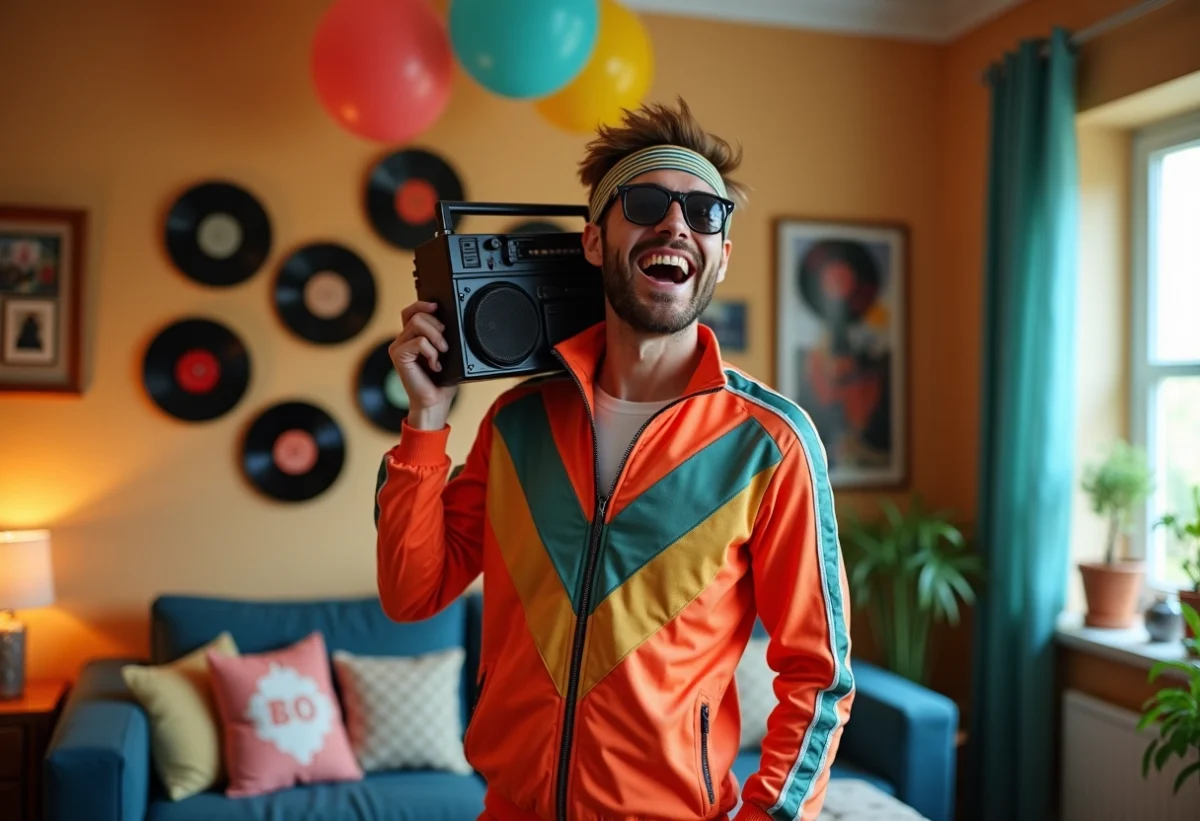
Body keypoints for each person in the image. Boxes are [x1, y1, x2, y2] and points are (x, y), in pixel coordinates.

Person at [375, 97, 855, 821]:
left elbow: (818, 676)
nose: (675, 224)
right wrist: (426, 421)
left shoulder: (770, 443)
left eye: (703, 213)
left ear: (722, 254)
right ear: (595, 241)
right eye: (647, 202)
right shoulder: (517, 423)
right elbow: (412, 593)